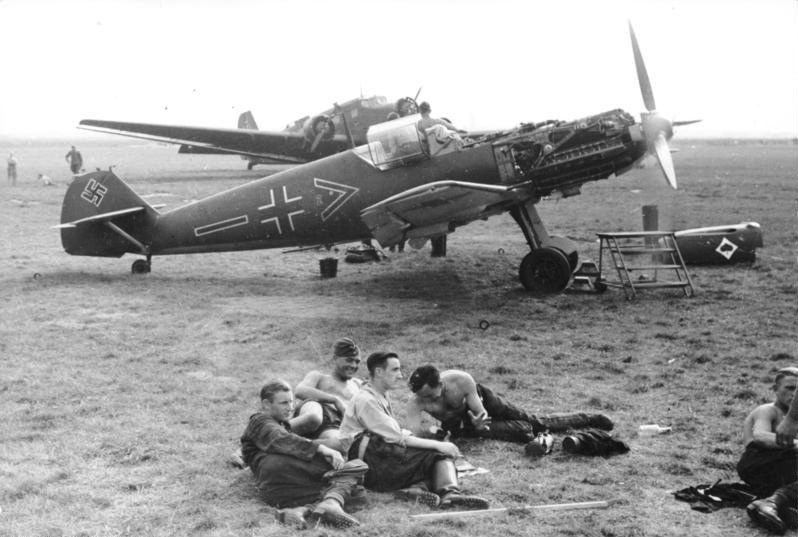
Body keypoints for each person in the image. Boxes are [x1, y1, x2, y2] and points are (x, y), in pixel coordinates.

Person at [339, 351, 490, 509]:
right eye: (395, 370)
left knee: (429, 455)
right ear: (378, 372)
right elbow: (397, 437)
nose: (400, 375)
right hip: (367, 464)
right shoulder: (367, 400)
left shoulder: (378, 394)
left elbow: (392, 434)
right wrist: (439, 445)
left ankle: (415, 491)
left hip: (375, 455)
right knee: (437, 452)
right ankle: (448, 494)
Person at [240, 380, 367, 529]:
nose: (290, 408)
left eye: (291, 402)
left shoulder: (277, 424)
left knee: (357, 494)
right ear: (267, 404)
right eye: (284, 403)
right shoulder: (260, 420)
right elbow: (282, 439)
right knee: (357, 468)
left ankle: (301, 510)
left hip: (279, 490)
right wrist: (323, 449)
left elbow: (289, 438)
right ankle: (331, 503)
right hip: (280, 471)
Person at [406, 365, 614, 448]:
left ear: (441, 384)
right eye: (422, 397)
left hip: (486, 404)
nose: (428, 401)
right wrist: (433, 434)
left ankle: (588, 418)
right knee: (524, 432)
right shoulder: (416, 402)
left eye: (430, 395)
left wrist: (479, 423)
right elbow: (413, 434)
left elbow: (481, 413)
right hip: (465, 425)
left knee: (535, 422)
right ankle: (529, 432)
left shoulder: (460, 381)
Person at [742, 367, 798, 533]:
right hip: (758, 462)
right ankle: (772, 502)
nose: (794, 394)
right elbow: (760, 436)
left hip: (781, 470)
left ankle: (783, 508)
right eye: (790, 388)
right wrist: (796, 444)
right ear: (775, 389)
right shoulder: (768, 410)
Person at [292, 337, 364, 439]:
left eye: (357, 362)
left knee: (345, 442)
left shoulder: (358, 384)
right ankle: (278, 430)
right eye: (349, 360)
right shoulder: (319, 377)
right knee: (313, 417)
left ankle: (304, 444)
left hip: (337, 427)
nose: (353, 365)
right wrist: (335, 400)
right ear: (335, 358)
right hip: (320, 416)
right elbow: (300, 390)